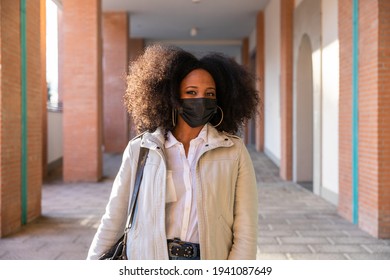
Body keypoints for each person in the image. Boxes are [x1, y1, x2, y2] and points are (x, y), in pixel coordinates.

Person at [87, 45, 259, 260]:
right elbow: (114, 217)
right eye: (191, 92)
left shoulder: (234, 152)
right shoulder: (140, 149)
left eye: (209, 94)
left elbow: (246, 228)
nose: (201, 100)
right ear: (173, 97)